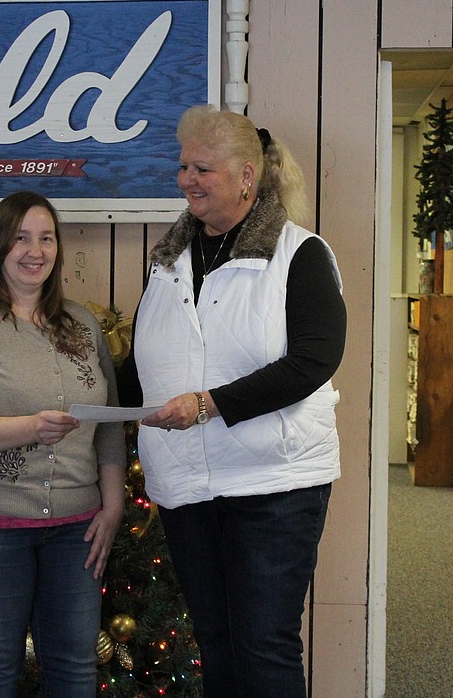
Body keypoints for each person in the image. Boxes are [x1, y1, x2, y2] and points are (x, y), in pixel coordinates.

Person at [118, 105, 347, 697]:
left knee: (264, 646)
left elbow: (312, 361)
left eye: (203, 168)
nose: (187, 178)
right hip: (189, 485)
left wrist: (207, 404)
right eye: (183, 166)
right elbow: (145, 366)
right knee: (215, 643)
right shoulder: (167, 263)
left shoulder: (301, 255)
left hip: (275, 483)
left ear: (247, 175)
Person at [0, 191, 126, 697]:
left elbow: (107, 425)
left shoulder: (82, 324)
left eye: (46, 238)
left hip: (76, 528)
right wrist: (30, 427)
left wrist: (113, 505)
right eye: (20, 238)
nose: (34, 251)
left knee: (76, 668)